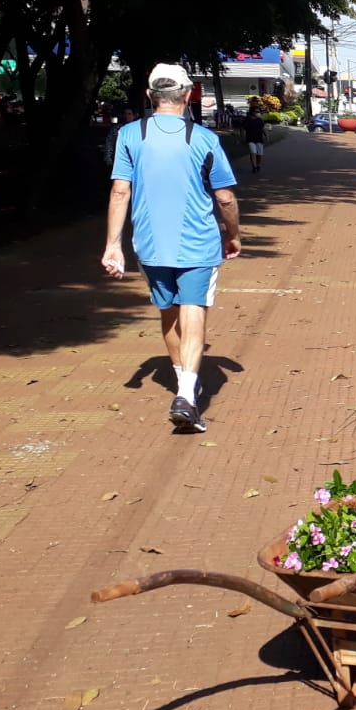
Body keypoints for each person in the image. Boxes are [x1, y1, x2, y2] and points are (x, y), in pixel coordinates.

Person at [101, 63, 241, 434]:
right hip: (197, 242)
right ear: (189, 93)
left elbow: (120, 190)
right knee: (193, 308)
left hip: (148, 245)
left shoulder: (130, 135)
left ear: (149, 96)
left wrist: (113, 245)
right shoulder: (205, 139)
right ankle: (186, 395)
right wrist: (234, 234)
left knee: (168, 310)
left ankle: (182, 383)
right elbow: (224, 197)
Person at [241, 104, 267, 172]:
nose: (258, 113)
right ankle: (254, 166)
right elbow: (243, 129)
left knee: (260, 154)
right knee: (253, 152)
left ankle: (258, 165)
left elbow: (263, 129)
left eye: (258, 111)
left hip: (259, 139)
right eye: (256, 111)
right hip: (250, 138)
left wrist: (266, 135)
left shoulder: (260, 120)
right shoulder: (247, 120)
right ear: (252, 112)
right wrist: (243, 137)